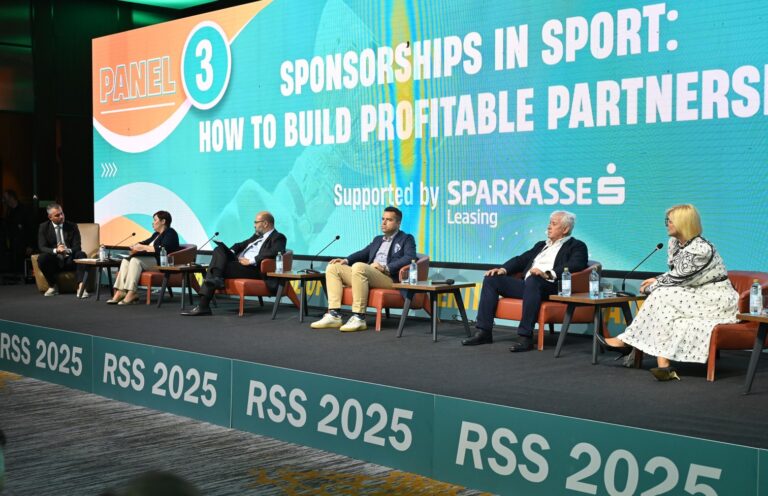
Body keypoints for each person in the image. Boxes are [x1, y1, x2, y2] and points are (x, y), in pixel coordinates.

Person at [598, 204, 739, 381]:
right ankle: (663, 366)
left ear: (683, 223)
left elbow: (679, 277)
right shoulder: (675, 243)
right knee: (665, 310)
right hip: (695, 291)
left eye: (670, 221)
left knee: (660, 295)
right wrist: (657, 279)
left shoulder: (700, 249)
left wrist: (652, 285)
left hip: (715, 298)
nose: (667, 224)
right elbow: (677, 273)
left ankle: (626, 341)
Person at [462, 210, 588, 351]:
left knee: (533, 280)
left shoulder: (576, 246)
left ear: (565, 229)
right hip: (529, 285)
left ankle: (525, 337)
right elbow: (521, 260)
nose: (548, 227)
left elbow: (576, 264)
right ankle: (484, 332)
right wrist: (503, 269)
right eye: (549, 223)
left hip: (551, 286)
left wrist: (547, 273)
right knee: (492, 279)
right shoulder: (541, 245)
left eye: (553, 224)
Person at [311, 206, 416, 332]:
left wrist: (385, 267)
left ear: (398, 223)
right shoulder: (378, 239)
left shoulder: (406, 238)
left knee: (359, 267)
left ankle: (359, 317)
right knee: (333, 267)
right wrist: (346, 260)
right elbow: (363, 253)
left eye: (389, 220)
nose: (384, 222)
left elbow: (410, 258)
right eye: (383, 219)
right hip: (369, 274)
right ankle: (334, 315)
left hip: (389, 278)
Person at [182, 211, 285, 316]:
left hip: (253, 268)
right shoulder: (257, 236)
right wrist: (228, 253)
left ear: (265, 223)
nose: (254, 225)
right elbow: (239, 245)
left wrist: (251, 260)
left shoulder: (278, 237)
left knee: (217, 268)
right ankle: (216, 280)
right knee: (219, 249)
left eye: (256, 222)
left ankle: (204, 304)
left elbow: (274, 252)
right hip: (239, 263)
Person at [108, 210, 180, 305]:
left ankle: (132, 292)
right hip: (151, 260)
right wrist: (136, 245)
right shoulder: (156, 234)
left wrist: (143, 247)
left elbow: (164, 249)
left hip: (162, 263)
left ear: (163, 221)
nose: (153, 223)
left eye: (155, 220)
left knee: (135, 260)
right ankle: (120, 291)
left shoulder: (170, 233)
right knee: (126, 261)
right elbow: (145, 242)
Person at [36, 203, 88, 296]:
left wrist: (66, 250)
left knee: (81, 254)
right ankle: (53, 286)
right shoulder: (44, 227)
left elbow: (77, 246)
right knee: (42, 258)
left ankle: (81, 287)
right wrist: (56, 250)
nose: (61, 216)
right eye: (57, 215)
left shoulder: (72, 226)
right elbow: (42, 247)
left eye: (62, 213)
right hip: (54, 261)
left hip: (69, 259)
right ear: (50, 217)